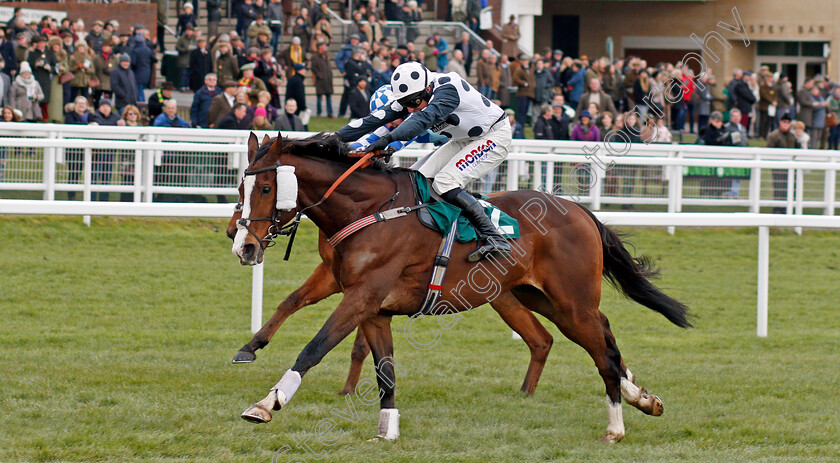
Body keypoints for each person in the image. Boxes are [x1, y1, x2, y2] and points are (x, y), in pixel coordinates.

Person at [335, 61, 513, 262]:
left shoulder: (448, 90)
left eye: (414, 103)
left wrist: (387, 139)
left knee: (445, 182)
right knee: (416, 179)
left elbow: (420, 121)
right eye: (406, 105)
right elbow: (372, 120)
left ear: (428, 89)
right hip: (464, 139)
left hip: (494, 135)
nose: (410, 110)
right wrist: (331, 138)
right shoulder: (415, 95)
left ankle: (494, 236)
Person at [310, 41, 334, 117]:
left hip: (327, 80)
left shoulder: (325, 56)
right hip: (320, 81)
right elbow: (313, 68)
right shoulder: (315, 57)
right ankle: (319, 112)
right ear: (320, 47)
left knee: (329, 98)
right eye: (323, 46)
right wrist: (319, 75)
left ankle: (330, 113)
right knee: (319, 98)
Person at [512, 54, 534, 126]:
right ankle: (520, 124)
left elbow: (532, 79)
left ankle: (523, 123)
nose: (525, 62)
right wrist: (523, 83)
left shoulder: (530, 69)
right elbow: (515, 78)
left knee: (526, 110)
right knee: (521, 109)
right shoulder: (519, 69)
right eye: (524, 61)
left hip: (529, 92)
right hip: (522, 92)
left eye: (526, 61)